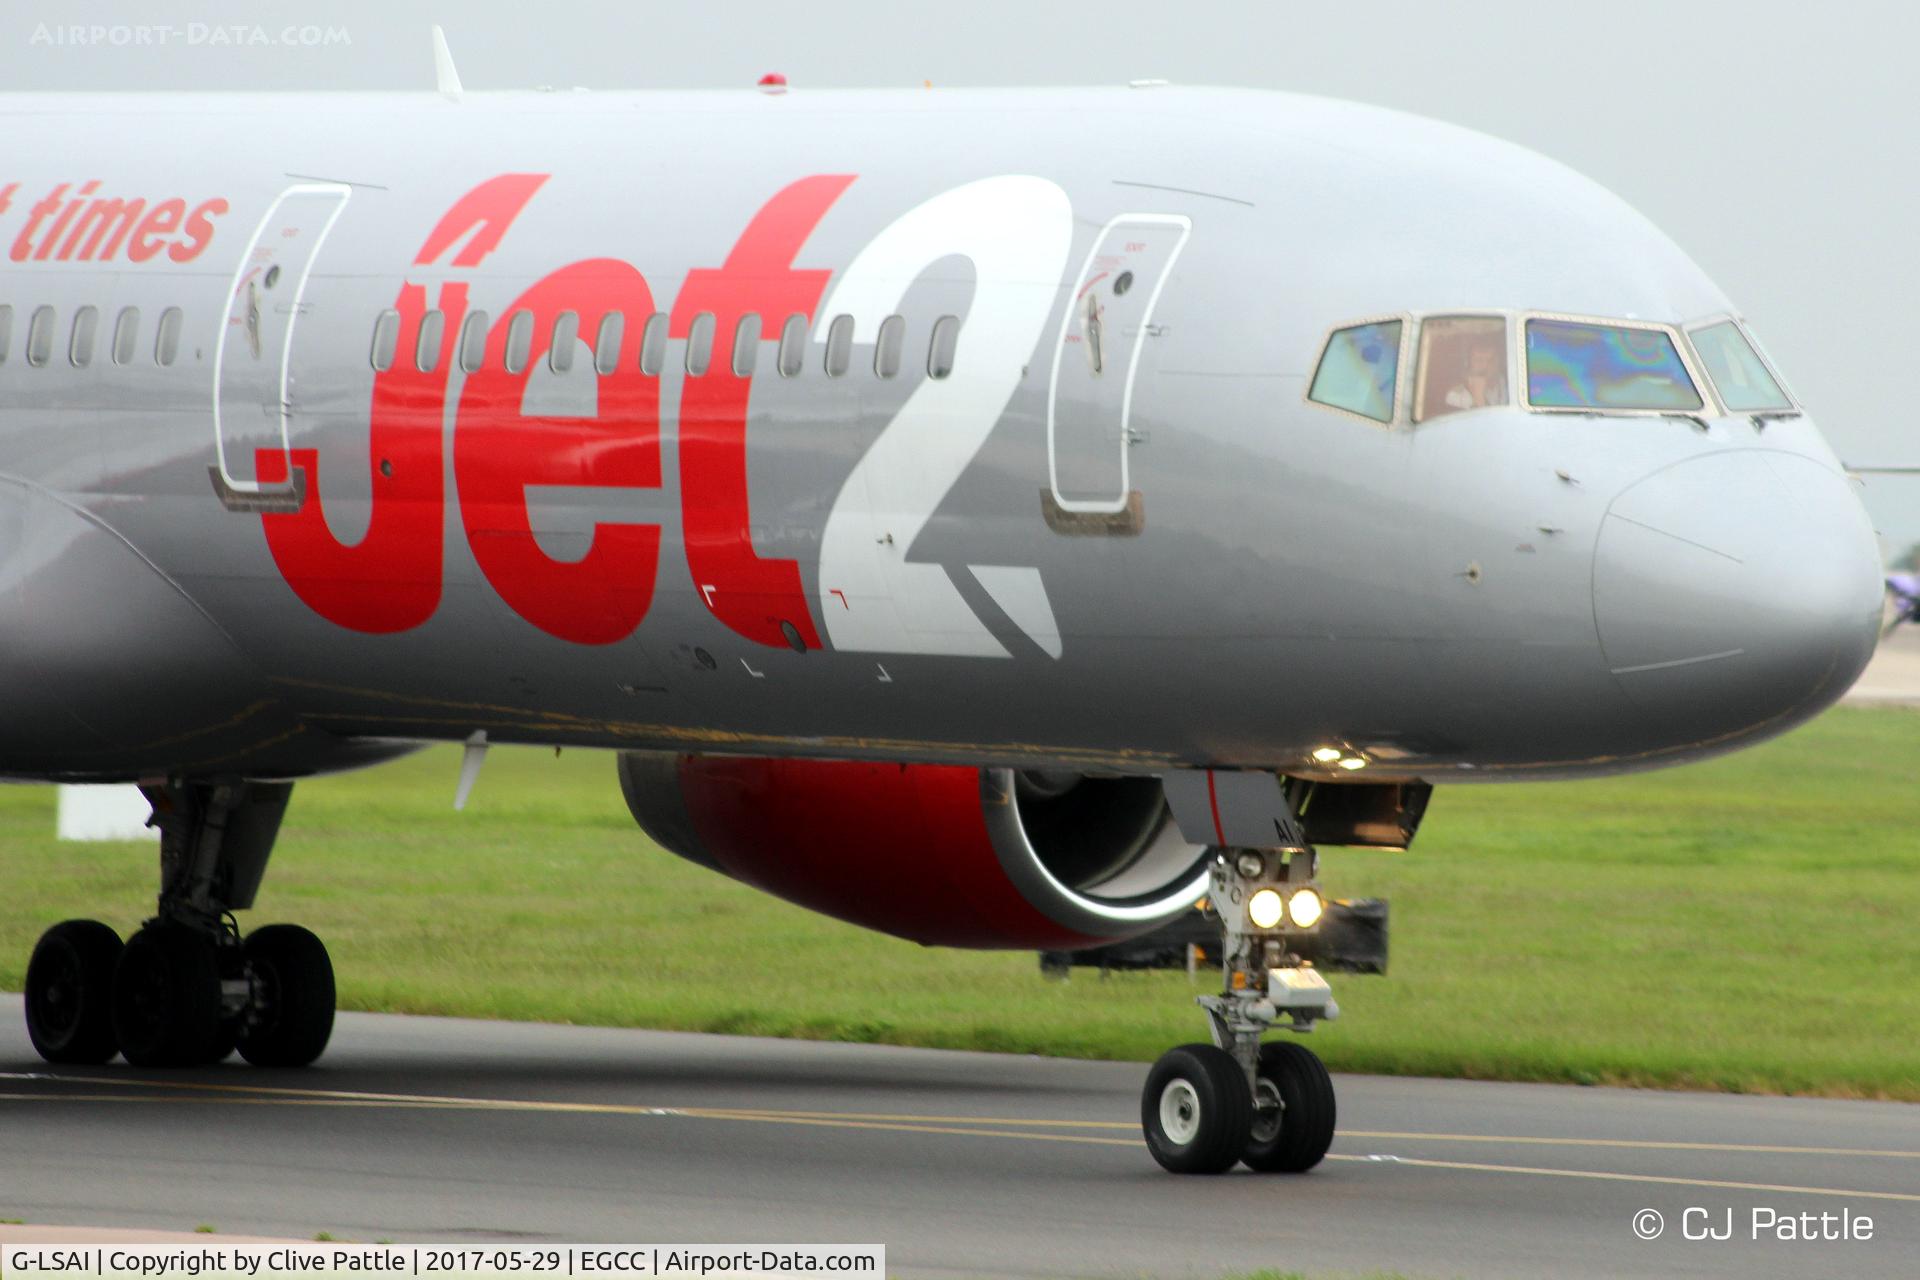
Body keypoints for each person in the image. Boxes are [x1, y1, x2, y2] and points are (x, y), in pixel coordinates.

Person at [1445, 335, 1507, 411]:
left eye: (1491, 360)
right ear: (1468, 363)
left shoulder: (1503, 381)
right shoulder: (1455, 396)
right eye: (1479, 360)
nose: (1485, 365)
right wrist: (1478, 396)